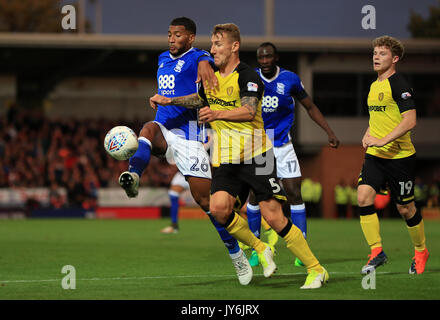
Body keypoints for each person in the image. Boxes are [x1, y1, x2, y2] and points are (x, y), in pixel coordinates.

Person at [151, 23, 329, 289]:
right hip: (225, 157)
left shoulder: (247, 76)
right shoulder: (211, 76)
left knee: (274, 216)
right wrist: (169, 100)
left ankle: (316, 269)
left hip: (256, 154)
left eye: (218, 44)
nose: (213, 49)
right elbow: (198, 99)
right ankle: (260, 248)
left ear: (234, 46)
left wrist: (217, 114)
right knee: (218, 209)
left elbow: (248, 110)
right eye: (211, 44)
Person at [119, 17, 258, 285]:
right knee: (147, 129)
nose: (172, 39)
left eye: (178, 35)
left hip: (190, 138)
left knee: (207, 203)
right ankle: (133, 175)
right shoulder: (161, 58)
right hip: (165, 128)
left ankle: (236, 255)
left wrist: (205, 63)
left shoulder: (200, 56)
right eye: (169, 34)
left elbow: (206, 58)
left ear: (190, 38)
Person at [244, 42, 339, 267]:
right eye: (261, 58)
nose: (265, 61)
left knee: (294, 191)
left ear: (276, 57)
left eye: (268, 57)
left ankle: (301, 248)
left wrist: (329, 131)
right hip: (260, 144)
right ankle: (257, 248)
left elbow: (310, 107)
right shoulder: (251, 79)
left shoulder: (291, 79)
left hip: (284, 144)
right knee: (256, 195)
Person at [358, 35, 429, 275]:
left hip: (401, 158)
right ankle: (377, 252)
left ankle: (420, 251)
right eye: (375, 53)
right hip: (376, 156)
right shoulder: (374, 85)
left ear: (395, 59)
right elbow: (378, 118)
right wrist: (369, 134)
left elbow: (410, 120)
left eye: (383, 54)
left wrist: (383, 139)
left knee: (405, 209)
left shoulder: (399, 84)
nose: (376, 57)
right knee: (363, 197)